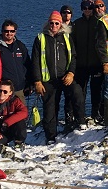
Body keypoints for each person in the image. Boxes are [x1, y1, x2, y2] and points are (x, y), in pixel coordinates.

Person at [33, 10, 84, 144]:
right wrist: (37, 81)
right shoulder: (40, 38)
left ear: (61, 24)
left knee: (77, 92)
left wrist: (71, 73)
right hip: (48, 80)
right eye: (51, 23)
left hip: (64, 77)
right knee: (50, 108)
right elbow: (35, 61)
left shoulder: (67, 37)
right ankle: (50, 137)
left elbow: (73, 57)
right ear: (48, 23)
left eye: (57, 23)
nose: (54, 26)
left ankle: (81, 122)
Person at [71, 0, 107, 121]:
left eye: (90, 8)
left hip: (96, 63)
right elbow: (73, 44)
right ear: (81, 9)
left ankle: (96, 114)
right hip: (81, 63)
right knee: (80, 92)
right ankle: (80, 116)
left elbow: (103, 43)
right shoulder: (76, 24)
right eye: (85, 8)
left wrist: (104, 62)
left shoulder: (98, 23)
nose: (87, 10)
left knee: (97, 90)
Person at [0, 19, 31, 100]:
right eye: (6, 31)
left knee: (21, 112)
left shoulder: (20, 46)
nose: (9, 33)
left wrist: (29, 83)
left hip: (19, 88)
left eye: (12, 31)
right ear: (2, 31)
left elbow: (27, 64)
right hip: (4, 90)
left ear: (15, 32)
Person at [0, 79, 28, 147]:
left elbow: (24, 112)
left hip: (13, 128)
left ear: (10, 92)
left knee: (20, 122)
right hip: (0, 131)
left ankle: (19, 142)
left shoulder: (15, 101)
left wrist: (7, 122)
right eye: (0, 91)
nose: (2, 93)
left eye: (5, 91)